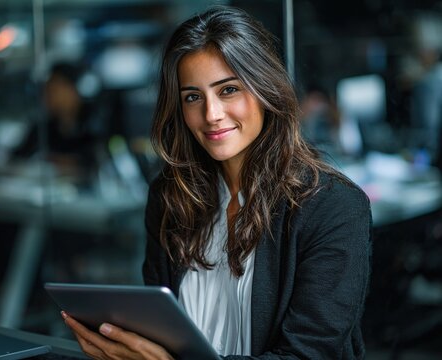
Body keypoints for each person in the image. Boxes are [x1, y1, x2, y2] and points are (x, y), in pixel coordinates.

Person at [61, 5, 372, 359]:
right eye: (193, 97)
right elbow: (162, 334)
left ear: (264, 88)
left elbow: (308, 355)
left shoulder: (334, 207)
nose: (211, 115)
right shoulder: (170, 197)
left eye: (228, 90)